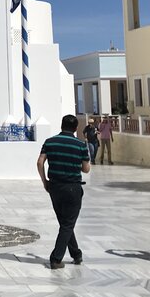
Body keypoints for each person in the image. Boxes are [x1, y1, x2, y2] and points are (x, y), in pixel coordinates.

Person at [36, 114, 91, 269]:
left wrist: (44, 181)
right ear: (75, 128)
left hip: (54, 187)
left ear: (61, 125)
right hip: (72, 188)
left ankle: (76, 254)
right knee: (67, 224)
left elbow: (40, 162)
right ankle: (56, 258)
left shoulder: (50, 142)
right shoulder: (80, 145)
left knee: (65, 223)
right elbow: (86, 169)